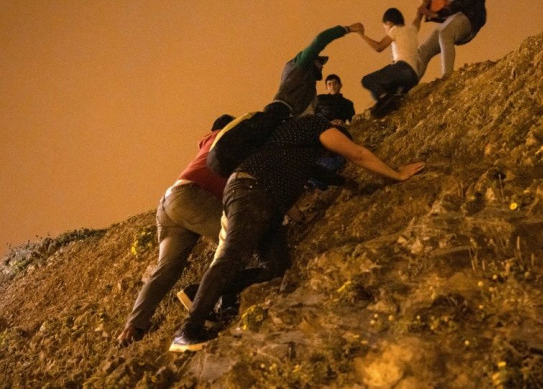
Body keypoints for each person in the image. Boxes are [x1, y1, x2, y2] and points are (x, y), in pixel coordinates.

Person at [169, 115, 425, 352]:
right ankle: (187, 331)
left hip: (265, 200)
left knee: (276, 268)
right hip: (251, 190)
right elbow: (357, 154)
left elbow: (322, 175)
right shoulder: (315, 125)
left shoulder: (294, 148)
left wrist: (348, 183)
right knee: (233, 256)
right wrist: (396, 174)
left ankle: (199, 292)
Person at [116, 114, 235, 347]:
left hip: (169, 201)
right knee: (235, 241)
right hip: (190, 197)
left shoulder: (205, 146)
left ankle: (133, 326)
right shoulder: (226, 137)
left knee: (166, 268)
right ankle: (212, 298)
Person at [207, 23, 364, 178]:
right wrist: (348, 29)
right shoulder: (299, 66)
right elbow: (319, 40)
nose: (321, 66)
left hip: (288, 123)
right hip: (280, 115)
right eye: (319, 62)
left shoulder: (309, 90)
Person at [358, 7, 423, 118]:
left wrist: (361, 35)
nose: (386, 31)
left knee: (367, 80)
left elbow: (379, 47)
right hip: (413, 77)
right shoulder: (412, 30)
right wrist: (423, 7)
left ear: (389, 23)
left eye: (385, 27)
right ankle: (389, 101)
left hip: (402, 68)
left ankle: (384, 98)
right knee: (389, 95)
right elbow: (418, 18)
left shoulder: (395, 29)